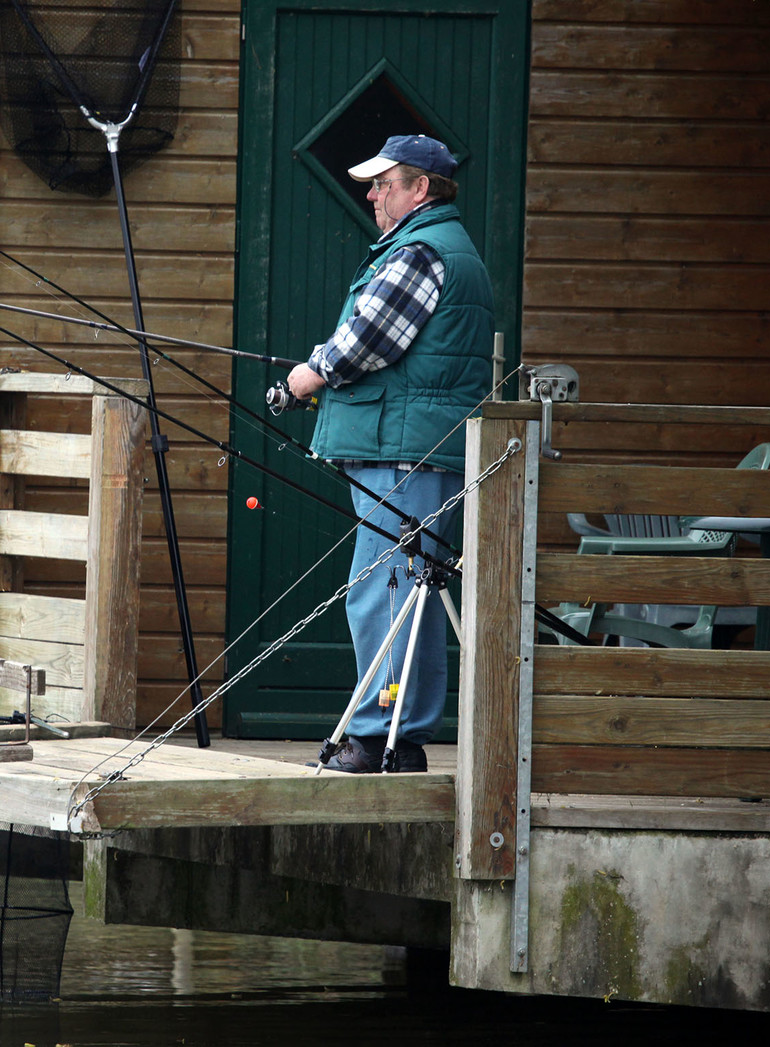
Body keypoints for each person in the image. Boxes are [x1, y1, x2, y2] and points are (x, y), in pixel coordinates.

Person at [286, 134, 495, 773]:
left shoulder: (421, 252)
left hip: (405, 452)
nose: (373, 195)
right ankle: (395, 737)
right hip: (408, 449)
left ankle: (382, 735)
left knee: (388, 591)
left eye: (385, 184)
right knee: (406, 590)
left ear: (420, 189)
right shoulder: (434, 248)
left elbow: (362, 343)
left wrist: (304, 378)